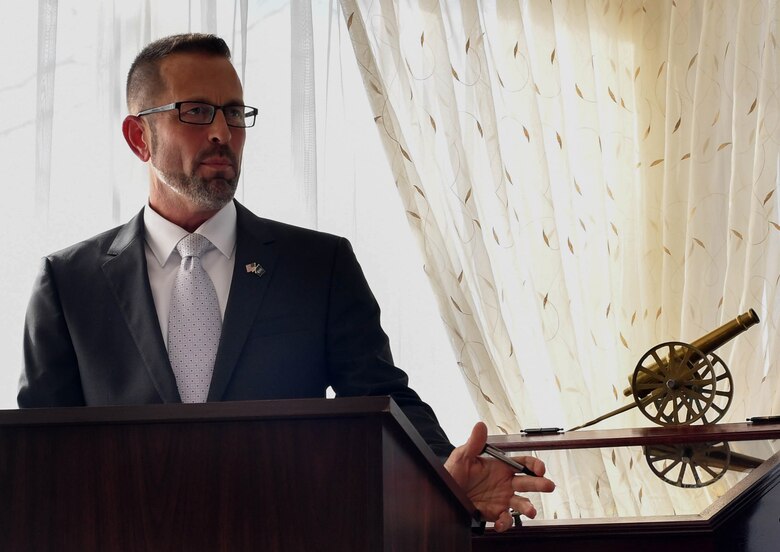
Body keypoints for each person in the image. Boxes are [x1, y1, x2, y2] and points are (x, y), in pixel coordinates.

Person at [18, 33, 554, 531]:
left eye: (234, 113)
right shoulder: (69, 283)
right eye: (197, 112)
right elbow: (37, 458)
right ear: (140, 137)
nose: (222, 134)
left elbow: (383, 397)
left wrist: (444, 475)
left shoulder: (319, 265)